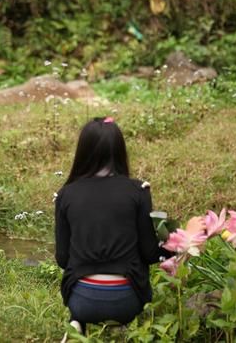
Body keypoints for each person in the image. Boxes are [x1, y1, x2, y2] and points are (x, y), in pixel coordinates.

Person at [55, 117, 205, 333]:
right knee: (128, 293)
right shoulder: (137, 191)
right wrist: (181, 237)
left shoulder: (66, 194)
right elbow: (150, 253)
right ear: (119, 150)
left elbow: (62, 259)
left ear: (82, 151)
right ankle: (122, 326)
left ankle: (78, 321)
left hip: (81, 300)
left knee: (79, 287)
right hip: (126, 300)